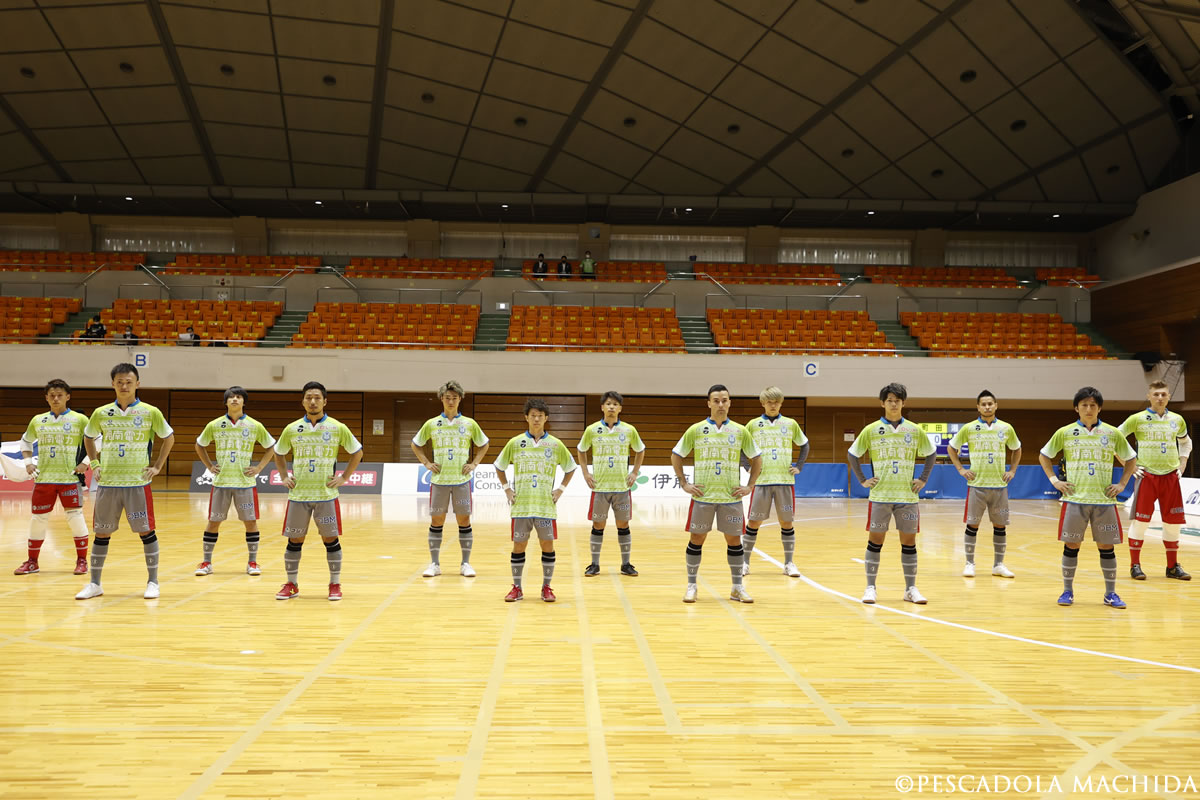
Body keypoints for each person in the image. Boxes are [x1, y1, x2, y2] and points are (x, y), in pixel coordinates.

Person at [75, 363, 175, 600]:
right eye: (119, 381)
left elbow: (168, 438)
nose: (124, 385)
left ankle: (153, 582)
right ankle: (95, 584)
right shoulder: (101, 413)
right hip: (108, 483)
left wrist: (158, 465)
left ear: (137, 384)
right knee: (101, 534)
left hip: (137, 484)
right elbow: (88, 437)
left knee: (146, 532)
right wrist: (95, 463)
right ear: (112, 384)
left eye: (129, 381)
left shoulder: (151, 412)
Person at [1039, 386, 1137, 608]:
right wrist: (1055, 481)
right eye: (1084, 404)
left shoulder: (1113, 433)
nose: (1089, 408)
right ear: (1076, 408)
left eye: (1093, 405)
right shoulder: (1064, 432)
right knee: (1071, 545)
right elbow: (1045, 455)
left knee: (1107, 548)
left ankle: (1110, 594)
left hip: (1104, 501)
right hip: (1075, 500)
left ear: (1099, 408)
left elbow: (1131, 459)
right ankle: (1067, 591)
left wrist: (1122, 483)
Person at [272, 381, 363, 601]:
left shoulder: (337, 427)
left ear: (324, 401)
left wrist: (344, 478)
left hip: (326, 495)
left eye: (317, 398)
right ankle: (292, 584)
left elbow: (357, 452)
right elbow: (278, 452)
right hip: (299, 495)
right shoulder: (292, 428)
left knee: (330, 540)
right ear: (303, 401)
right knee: (295, 541)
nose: (313, 401)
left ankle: (335, 584)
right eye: (309, 398)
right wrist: (284, 476)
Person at [671, 384, 762, 604]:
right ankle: (692, 586)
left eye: (724, 400)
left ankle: (737, 588)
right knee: (696, 539)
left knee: (734, 541)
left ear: (730, 403)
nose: (721, 404)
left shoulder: (741, 431)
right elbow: (676, 454)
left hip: (731, 497)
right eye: (716, 400)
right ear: (709, 403)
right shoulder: (696, 429)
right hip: (702, 497)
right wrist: (684, 482)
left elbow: (757, 458)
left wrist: (749, 485)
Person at [847, 382, 936, 605]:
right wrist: (862, 480)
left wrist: (923, 478)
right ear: (882, 403)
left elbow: (931, 454)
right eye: (889, 400)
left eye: (897, 400)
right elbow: (852, 454)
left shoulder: (915, 430)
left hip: (907, 497)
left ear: (903, 403)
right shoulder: (871, 430)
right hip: (880, 497)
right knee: (875, 541)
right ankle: (870, 588)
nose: (893, 404)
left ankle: (910, 589)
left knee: (909, 542)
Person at [494, 398, 578, 602]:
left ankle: (546, 587)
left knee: (547, 546)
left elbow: (570, 467)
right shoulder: (515, 443)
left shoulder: (555, 444)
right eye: (533, 415)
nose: (537, 419)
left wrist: (560, 489)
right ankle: (517, 587)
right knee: (518, 547)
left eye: (540, 415)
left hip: (545, 507)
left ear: (546, 418)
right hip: (521, 507)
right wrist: (507, 489)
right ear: (526, 418)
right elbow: (499, 465)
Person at [193, 386, 277, 577]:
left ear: (243, 402)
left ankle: (253, 562)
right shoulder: (214, 425)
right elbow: (200, 445)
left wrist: (258, 468)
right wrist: (209, 465)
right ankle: (206, 562)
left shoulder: (254, 425)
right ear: (225, 402)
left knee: (250, 522)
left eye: (238, 397)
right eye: (231, 397)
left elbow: (271, 447)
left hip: (245, 483)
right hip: (221, 483)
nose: (234, 400)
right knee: (213, 522)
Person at [410, 380, 490, 578]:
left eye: (454, 398)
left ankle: (466, 564)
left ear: (460, 399)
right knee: (437, 520)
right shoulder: (432, 423)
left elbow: (484, 444)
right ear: (442, 399)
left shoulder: (469, 424)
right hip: (439, 481)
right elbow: (416, 444)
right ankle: (434, 564)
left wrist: (474, 464)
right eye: (447, 398)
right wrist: (427, 463)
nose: (451, 401)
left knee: (464, 520)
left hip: (462, 481)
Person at [13, 379, 91, 576]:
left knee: (75, 518)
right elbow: (25, 442)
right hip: (44, 479)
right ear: (46, 398)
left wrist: (87, 462)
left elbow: (96, 440)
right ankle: (32, 562)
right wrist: (28, 463)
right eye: (52, 395)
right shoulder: (38, 420)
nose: (56, 399)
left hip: (69, 479)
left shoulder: (79, 419)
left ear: (68, 397)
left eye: (60, 395)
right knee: (38, 519)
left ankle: (82, 561)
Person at [1118, 380, 1192, 580]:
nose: (1160, 398)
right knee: (1141, 522)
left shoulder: (1178, 419)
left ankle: (1172, 567)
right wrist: (1130, 465)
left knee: (1173, 523)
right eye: (1156, 394)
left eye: (1164, 394)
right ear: (1149, 396)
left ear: (1168, 397)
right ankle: (1135, 565)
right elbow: (1116, 439)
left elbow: (1185, 443)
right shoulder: (1137, 418)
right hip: (1147, 476)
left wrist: (1182, 463)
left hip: (1171, 476)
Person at [947, 390, 1022, 579]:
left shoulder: (1006, 428)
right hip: (977, 486)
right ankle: (969, 563)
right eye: (984, 404)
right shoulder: (970, 428)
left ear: (996, 405)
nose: (987, 407)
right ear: (978, 407)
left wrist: (1012, 470)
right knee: (973, 525)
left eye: (990, 404)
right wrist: (961, 470)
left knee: (1000, 526)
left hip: (999, 486)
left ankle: (999, 565)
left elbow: (1017, 448)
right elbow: (951, 448)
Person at [741, 386, 809, 578]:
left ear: (781, 403)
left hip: (785, 480)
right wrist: (746, 465)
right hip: (761, 481)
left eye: (776, 402)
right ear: (763, 403)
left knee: (786, 523)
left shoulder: (791, 423)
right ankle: (744, 563)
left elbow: (804, 444)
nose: (773, 405)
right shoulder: (753, 425)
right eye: (769, 402)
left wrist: (799, 466)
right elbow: (740, 445)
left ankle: (789, 563)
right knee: (754, 522)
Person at [577, 390, 645, 576]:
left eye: (615, 404)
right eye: (608, 404)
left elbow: (640, 450)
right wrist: (586, 473)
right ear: (602, 407)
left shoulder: (629, 430)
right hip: (599, 487)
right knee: (598, 525)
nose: (611, 407)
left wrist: (634, 472)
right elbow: (581, 450)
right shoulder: (592, 430)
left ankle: (626, 564)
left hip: (622, 487)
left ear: (620, 408)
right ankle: (594, 564)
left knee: (623, 525)